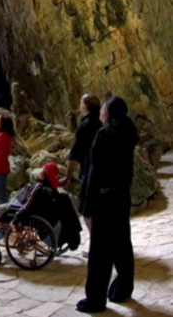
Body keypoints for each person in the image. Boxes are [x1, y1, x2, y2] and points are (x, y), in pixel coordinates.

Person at [77, 97, 138, 313]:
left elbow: (94, 173)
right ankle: (123, 289)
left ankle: (95, 300)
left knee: (99, 254)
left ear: (109, 112)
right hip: (121, 198)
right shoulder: (129, 133)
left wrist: (87, 204)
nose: (101, 110)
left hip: (104, 201)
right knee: (122, 246)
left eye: (104, 107)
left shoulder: (104, 135)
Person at [0, 162, 60, 237]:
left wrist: (19, 216)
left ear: (44, 175)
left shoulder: (39, 188)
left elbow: (29, 204)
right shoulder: (50, 188)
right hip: (23, 205)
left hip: (20, 208)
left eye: (42, 170)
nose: (40, 171)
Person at [60, 93, 102, 256]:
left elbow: (75, 155)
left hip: (90, 173)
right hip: (103, 173)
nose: (79, 106)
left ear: (85, 107)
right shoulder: (100, 124)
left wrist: (68, 176)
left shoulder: (84, 127)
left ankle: (96, 246)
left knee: (87, 211)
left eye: (80, 103)